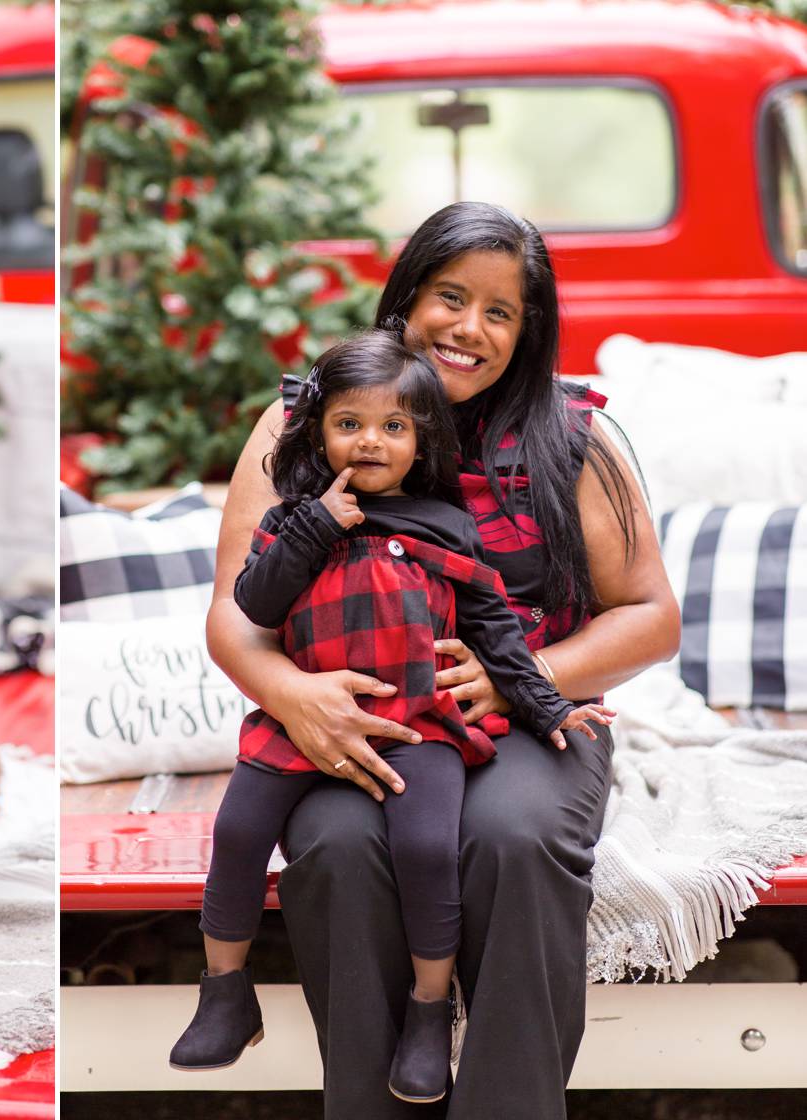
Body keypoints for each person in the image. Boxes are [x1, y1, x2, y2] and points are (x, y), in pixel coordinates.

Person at [206, 202, 679, 1119]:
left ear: (526, 333)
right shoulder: (304, 424)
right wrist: (293, 695)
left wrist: (521, 676)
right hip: (353, 718)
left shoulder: (570, 437)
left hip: (521, 720)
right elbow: (235, 613)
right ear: (406, 300)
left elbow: (652, 617)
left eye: (500, 313)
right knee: (339, 847)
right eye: (450, 297)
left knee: (513, 838)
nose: (469, 328)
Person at [169, 329, 611, 1102]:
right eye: (349, 424)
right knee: (239, 831)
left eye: (394, 428)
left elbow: (499, 636)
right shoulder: (299, 518)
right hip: (303, 722)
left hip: (421, 724)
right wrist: (313, 528)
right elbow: (251, 605)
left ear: (420, 442)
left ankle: (426, 1012)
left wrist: (548, 707)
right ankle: (224, 993)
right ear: (320, 431)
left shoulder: (447, 528)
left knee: (428, 849)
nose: (370, 441)